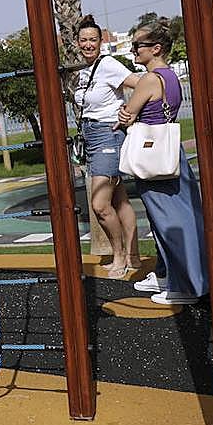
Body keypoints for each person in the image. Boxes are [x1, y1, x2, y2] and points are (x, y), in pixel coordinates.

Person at [117, 21, 208, 305]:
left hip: (151, 157)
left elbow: (128, 114)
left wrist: (126, 115)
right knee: (180, 216)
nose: (133, 50)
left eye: (137, 46)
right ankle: (170, 274)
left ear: (156, 49)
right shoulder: (172, 78)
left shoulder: (148, 80)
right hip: (171, 153)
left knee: (170, 221)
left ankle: (188, 286)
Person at [73, 16, 141, 278]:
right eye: (84, 40)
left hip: (107, 135)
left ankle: (119, 256)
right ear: (77, 43)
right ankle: (133, 254)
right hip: (91, 136)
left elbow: (141, 83)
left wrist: (130, 111)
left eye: (93, 39)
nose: (88, 44)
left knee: (100, 204)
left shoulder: (108, 64)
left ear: (101, 41)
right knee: (120, 199)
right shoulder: (83, 70)